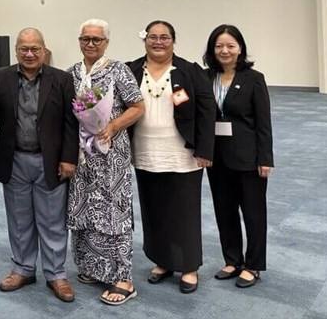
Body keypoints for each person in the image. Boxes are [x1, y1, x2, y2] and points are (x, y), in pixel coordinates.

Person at [0, 27, 79, 303]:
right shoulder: (2, 77)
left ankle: (56, 274)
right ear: (16, 50)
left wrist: (68, 158)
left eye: (35, 49)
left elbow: (70, 122)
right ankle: (23, 269)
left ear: (44, 50)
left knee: (52, 221)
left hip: (49, 161)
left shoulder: (61, 79)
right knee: (19, 219)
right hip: (14, 158)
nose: (29, 54)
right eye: (23, 49)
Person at [127, 20, 215, 294]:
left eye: (164, 37)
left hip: (182, 153)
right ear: (145, 40)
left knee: (184, 212)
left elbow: (207, 110)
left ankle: (188, 266)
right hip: (144, 151)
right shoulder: (131, 69)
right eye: (153, 37)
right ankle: (162, 260)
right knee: (154, 210)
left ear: (173, 41)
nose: (158, 42)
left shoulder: (189, 71)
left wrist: (205, 149)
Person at [67, 19, 144, 305]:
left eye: (96, 40)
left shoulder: (118, 70)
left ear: (106, 43)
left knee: (114, 212)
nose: (90, 44)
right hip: (82, 156)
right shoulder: (72, 73)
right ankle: (92, 267)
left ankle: (123, 278)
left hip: (111, 154)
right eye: (85, 39)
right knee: (84, 208)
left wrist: (113, 126)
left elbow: (138, 106)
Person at [203, 24, 273, 288]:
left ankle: (253, 265)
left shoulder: (254, 78)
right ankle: (232, 260)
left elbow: (264, 123)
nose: (224, 50)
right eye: (219, 46)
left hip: (248, 157)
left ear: (240, 48)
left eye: (230, 45)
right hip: (216, 157)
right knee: (224, 210)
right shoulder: (205, 77)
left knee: (254, 212)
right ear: (212, 49)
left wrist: (265, 158)